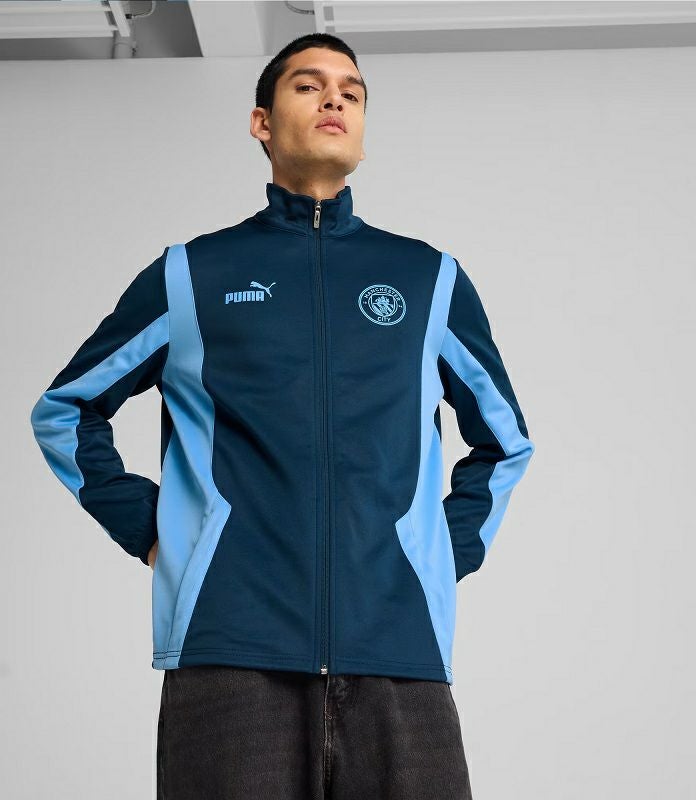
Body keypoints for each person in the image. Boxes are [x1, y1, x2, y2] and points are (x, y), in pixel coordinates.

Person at [30, 32, 535, 800]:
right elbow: (67, 409)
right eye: (308, 85)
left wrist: (439, 552)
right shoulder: (193, 275)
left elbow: (504, 442)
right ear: (261, 122)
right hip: (230, 665)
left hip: (398, 657)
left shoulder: (427, 279)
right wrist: (153, 529)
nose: (335, 98)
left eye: (352, 91)